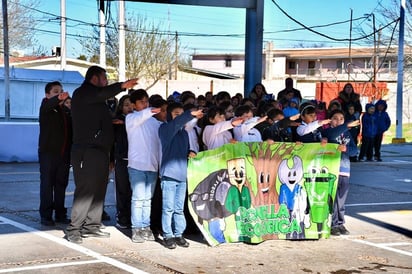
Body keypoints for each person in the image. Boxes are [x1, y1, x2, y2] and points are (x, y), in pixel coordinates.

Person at [65, 65, 138, 244]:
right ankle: (74, 229)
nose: (106, 82)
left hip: (101, 150)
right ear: (95, 78)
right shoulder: (82, 93)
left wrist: (111, 121)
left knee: (99, 190)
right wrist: (122, 85)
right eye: (104, 78)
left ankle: (92, 226)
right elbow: (100, 94)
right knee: (86, 190)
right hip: (86, 151)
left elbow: (96, 117)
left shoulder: (96, 100)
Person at [158, 102, 203, 249]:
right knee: (168, 207)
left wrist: (190, 152)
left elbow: (182, 150)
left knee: (178, 208)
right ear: (170, 115)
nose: (180, 117)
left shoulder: (185, 133)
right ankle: (167, 235)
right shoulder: (164, 128)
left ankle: (178, 234)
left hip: (182, 175)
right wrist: (189, 114)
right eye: (177, 114)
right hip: (169, 175)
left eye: (182, 114)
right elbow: (177, 123)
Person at [126, 89, 162, 243]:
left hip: (152, 166)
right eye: (141, 101)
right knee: (138, 199)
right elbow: (142, 116)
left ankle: (146, 227)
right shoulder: (131, 118)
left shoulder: (154, 122)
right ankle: (136, 228)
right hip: (137, 166)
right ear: (133, 105)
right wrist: (150, 111)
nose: (145, 104)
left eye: (146, 101)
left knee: (147, 199)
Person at [38, 81, 72, 226]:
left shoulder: (65, 111)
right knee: (47, 185)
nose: (60, 94)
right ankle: (46, 215)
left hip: (64, 155)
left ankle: (60, 214)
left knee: (61, 185)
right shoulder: (46, 107)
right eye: (56, 91)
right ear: (48, 95)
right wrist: (58, 99)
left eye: (61, 91)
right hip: (48, 155)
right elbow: (48, 105)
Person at [322, 109, 359, 236]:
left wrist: (346, 148)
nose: (338, 121)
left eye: (341, 119)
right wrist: (346, 125)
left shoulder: (347, 134)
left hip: (344, 169)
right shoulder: (327, 132)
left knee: (341, 199)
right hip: (331, 169)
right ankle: (332, 223)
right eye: (335, 118)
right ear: (330, 120)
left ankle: (340, 223)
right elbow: (333, 135)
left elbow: (355, 151)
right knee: (331, 198)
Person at [112, 95, 134, 229]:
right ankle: (122, 217)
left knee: (134, 192)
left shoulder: (138, 120)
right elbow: (112, 142)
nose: (130, 107)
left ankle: (133, 217)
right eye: (126, 105)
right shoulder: (117, 122)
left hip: (137, 160)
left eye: (131, 104)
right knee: (122, 190)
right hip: (122, 159)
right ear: (121, 107)